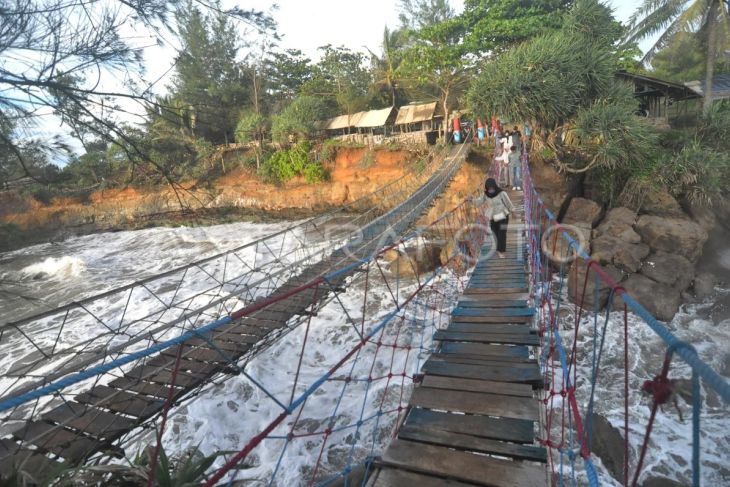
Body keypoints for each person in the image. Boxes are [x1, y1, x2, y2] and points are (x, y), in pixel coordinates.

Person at [480, 178, 514, 258]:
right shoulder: (485, 195)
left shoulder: (501, 193)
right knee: (495, 234)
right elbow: (479, 201)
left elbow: (508, 203)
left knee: (502, 234)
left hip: (503, 215)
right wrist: (471, 200)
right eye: (489, 189)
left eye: (492, 188)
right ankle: (498, 248)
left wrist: (513, 211)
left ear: (495, 187)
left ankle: (501, 251)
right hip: (493, 217)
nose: (491, 190)